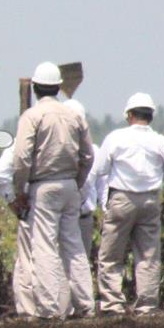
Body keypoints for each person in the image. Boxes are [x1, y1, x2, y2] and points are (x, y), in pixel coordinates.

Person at [13, 62, 95, 319]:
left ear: (35, 88)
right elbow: (88, 156)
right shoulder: (74, 115)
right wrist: (78, 182)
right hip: (70, 185)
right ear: (59, 87)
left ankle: (49, 308)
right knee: (74, 245)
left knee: (45, 246)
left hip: (43, 186)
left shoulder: (32, 116)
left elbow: (22, 158)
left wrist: (20, 190)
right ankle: (86, 305)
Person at [95, 92, 164, 316]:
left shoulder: (116, 138)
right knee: (148, 254)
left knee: (111, 255)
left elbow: (100, 170)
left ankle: (112, 304)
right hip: (150, 199)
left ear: (129, 115)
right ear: (151, 115)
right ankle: (147, 305)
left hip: (122, 198)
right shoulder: (160, 141)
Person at [0, 142, 35, 319]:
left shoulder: (21, 143)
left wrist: (12, 201)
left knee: (27, 258)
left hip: (31, 202)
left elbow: (1, 174)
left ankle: (28, 309)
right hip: (62, 203)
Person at [63, 99, 108, 260]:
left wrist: (105, 212)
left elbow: (103, 186)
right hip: (60, 219)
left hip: (83, 220)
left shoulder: (95, 151)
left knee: (81, 264)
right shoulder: (59, 151)